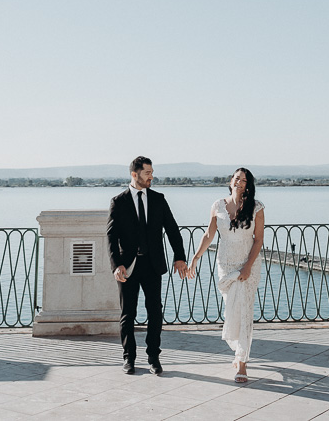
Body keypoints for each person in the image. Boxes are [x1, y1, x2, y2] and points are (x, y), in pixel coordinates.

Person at [106, 156, 187, 376]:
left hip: (153, 265)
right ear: (135, 174)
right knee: (127, 314)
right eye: (147, 173)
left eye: (151, 172)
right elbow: (111, 237)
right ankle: (128, 358)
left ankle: (153, 357)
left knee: (155, 311)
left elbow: (172, 230)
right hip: (128, 267)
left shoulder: (159, 199)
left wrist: (179, 256)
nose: (151, 176)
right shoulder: (119, 201)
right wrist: (116, 265)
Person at [187, 167, 264, 383]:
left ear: (248, 185)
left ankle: (242, 362)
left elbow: (258, 240)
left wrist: (248, 266)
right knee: (232, 309)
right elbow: (209, 234)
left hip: (247, 264)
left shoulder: (256, 207)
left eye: (244, 180)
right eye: (236, 178)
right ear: (230, 181)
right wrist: (195, 258)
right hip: (225, 264)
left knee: (244, 310)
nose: (239, 182)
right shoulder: (217, 206)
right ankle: (239, 350)